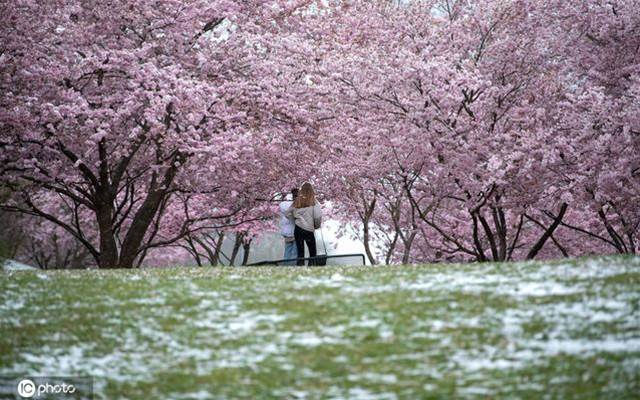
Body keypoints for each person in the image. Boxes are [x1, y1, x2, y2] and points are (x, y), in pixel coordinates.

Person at [286, 182, 322, 266]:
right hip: (309, 229)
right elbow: (317, 216)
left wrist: (295, 219)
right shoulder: (314, 201)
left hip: (298, 229)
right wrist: (316, 226)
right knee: (312, 252)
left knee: (300, 253)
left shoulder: (297, 200)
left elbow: (287, 213)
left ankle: (300, 269)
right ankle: (311, 269)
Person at [279, 188, 299, 265]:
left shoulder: (283, 205)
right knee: (294, 254)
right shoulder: (292, 206)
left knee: (287, 253)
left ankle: (285, 268)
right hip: (294, 233)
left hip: (286, 233)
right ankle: (291, 269)